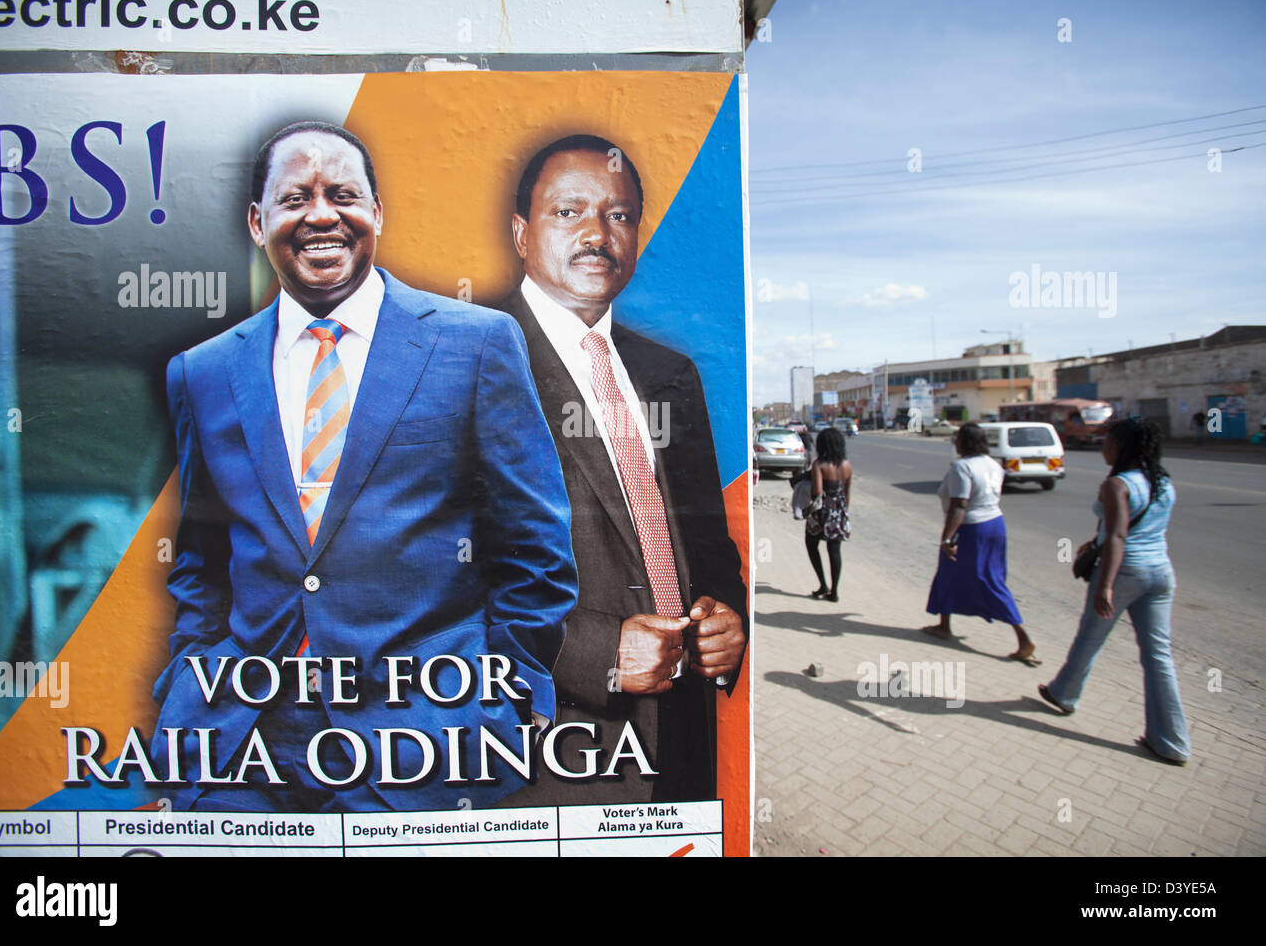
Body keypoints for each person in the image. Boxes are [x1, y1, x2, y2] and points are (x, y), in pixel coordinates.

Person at [150, 122, 578, 813]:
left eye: (343, 194)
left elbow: (537, 551)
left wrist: (508, 699)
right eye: (295, 198)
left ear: (376, 212)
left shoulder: (476, 345)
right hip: (248, 751)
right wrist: (187, 692)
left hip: (427, 748)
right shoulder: (202, 372)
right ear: (259, 222)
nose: (322, 214)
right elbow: (201, 561)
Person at [495, 134, 747, 803]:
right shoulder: (458, 362)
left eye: (618, 214)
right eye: (568, 212)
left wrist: (729, 619)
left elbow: (710, 548)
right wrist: (595, 654)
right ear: (521, 232)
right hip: (554, 753)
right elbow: (425, 574)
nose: (596, 233)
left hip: (683, 737)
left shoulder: (671, 374)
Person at [1039, 418, 1190, 765]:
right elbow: (1134, 527)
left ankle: (1065, 694)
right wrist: (1096, 541)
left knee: (1090, 636)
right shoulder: (1162, 482)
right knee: (1158, 656)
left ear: (1121, 447)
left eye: (1107, 442)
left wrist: (1105, 585)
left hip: (1125, 571)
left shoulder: (1117, 484)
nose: (1103, 447)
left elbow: (1120, 536)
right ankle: (1172, 742)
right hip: (1161, 573)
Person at [921, 422, 1037, 663]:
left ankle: (1022, 636)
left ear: (964, 442)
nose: (955, 443)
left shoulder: (961, 467)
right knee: (948, 573)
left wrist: (948, 537)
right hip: (995, 524)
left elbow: (959, 505)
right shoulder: (994, 464)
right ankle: (944, 625)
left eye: (957, 439)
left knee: (986, 580)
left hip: (971, 528)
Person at [806, 427, 851, 601]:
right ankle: (835, 591)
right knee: (834, 551)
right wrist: (843, 512)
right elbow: (847, 492)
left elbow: (817, 491)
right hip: (839, 511)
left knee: (811, 544)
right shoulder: (847, 465)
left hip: (821, 511)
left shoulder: (819, 464)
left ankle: (822, 584)